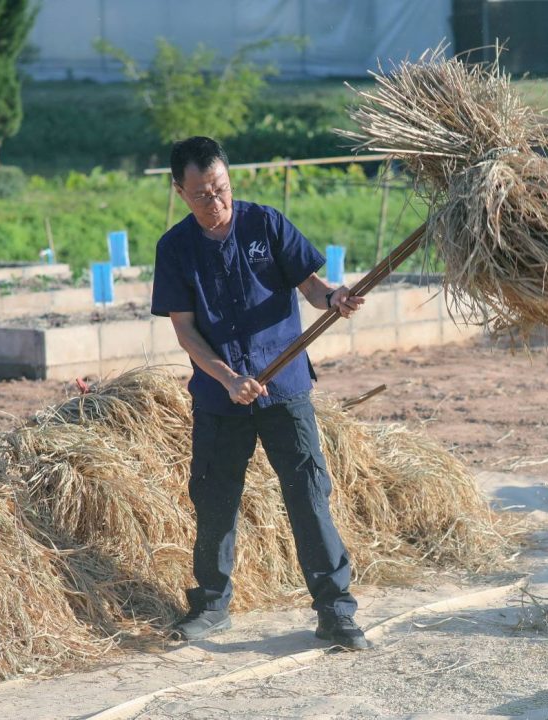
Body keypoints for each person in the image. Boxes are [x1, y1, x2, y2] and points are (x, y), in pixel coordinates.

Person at [150, 136, 369, 651]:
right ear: (179, 192)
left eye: (221, 188)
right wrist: (227, 378)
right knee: (214, 496)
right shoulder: (174, 249)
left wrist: (334, 298)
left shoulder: (265, 224)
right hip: (220, 396)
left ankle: (335, 610)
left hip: (284, 387)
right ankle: (210, 604)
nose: (215, 202)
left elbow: (311, 286)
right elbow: (185, 331)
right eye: (201, 194)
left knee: (308, 493)